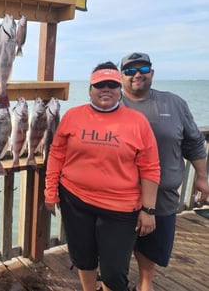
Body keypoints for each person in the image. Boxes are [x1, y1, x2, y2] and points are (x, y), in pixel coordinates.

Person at [44, 61, 161, 291]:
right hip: (75, 201)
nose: (106, 89)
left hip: (120, 209)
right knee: (83, 257)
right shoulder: (72, 116)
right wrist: (50, 192)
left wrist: (148, 210)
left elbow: (150, 167)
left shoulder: (138, 122)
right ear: (90, 89)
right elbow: (56, 154)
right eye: (100, 84)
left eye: (112, 84)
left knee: (114, 270)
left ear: (120, 89)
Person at [120, 52, 209, 291]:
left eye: (143, 69)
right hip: (118, 194)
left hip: (162, 194)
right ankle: (108, 279)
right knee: (112, 242)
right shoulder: (111, 104)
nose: (137, 74)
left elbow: (194, 142)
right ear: (121, 77)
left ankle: (144, 283)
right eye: (130, 70)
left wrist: (202, 176)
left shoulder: (174, 103)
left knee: (152, 244)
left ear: (152, 73)